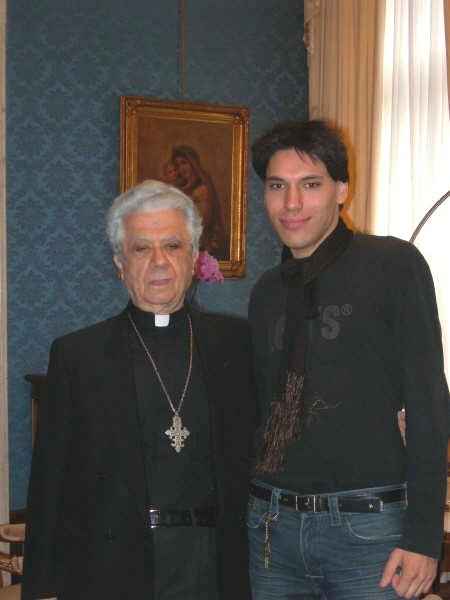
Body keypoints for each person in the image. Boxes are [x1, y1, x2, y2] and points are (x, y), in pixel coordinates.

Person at [22, 180, 256, 600]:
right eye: (141, 249)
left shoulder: (236, 344)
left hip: (216, 566)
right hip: (112, 569)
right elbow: (50, 483)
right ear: (120, 264)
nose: (159, 262)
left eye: (173, 246)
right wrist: (43, 588)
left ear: (194, 258)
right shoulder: (79, 355)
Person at [247, 120, 449, 600]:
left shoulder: (393, 266)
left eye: (310, 185)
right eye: (277, 186)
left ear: (342, 190)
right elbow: (259, 408)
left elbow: (428, 401)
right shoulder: (267, 291)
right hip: (272, 527)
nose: (291, 203)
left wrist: (423, 538)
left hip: (368, 531)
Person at [170, 145, 227, 259]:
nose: (181, 168)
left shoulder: (201, 190)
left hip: (201, 242)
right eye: (178, 165)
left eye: (184, 163)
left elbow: (203, 221)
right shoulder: (181, 187)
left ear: (193, 163)